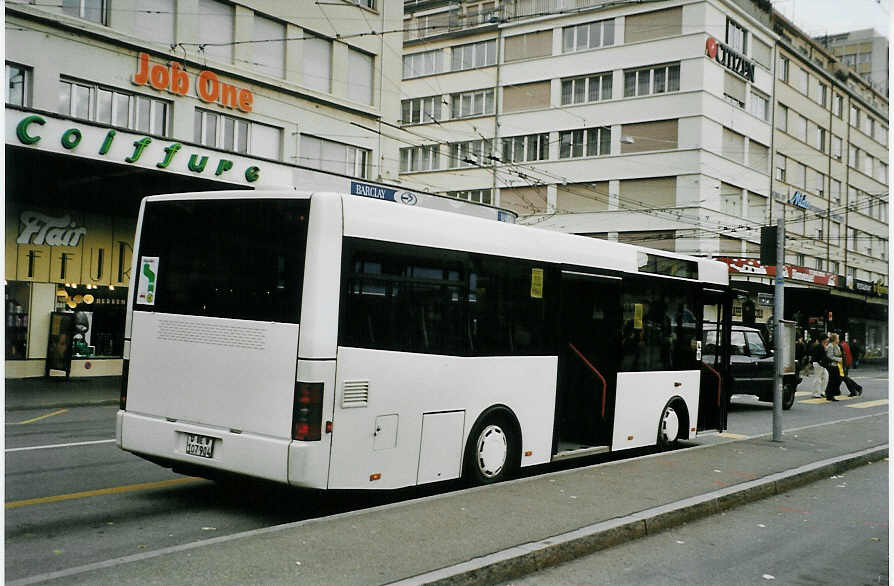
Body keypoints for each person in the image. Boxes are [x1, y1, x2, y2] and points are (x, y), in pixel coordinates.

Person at [807, 334, 830, 399]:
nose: (828, 340)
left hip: (820, 364)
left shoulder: (822, 346)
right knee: (818, 378)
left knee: (825, 376)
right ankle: (816, 393)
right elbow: (820, 356)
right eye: (827, 338)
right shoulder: (820, 346)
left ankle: (821, 392)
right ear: (824, 340)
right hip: (818, 364)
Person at [824, 333, 844, 401]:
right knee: (833, 380)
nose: (838, 339)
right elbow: (830, 356)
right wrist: (839, 359)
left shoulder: (836, 345)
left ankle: (830, 393)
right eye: (837, 338)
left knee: (837, 379)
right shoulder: (830, 346)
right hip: (832, 365)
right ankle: (830, 395)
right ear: (834, 339)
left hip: (836, 365)